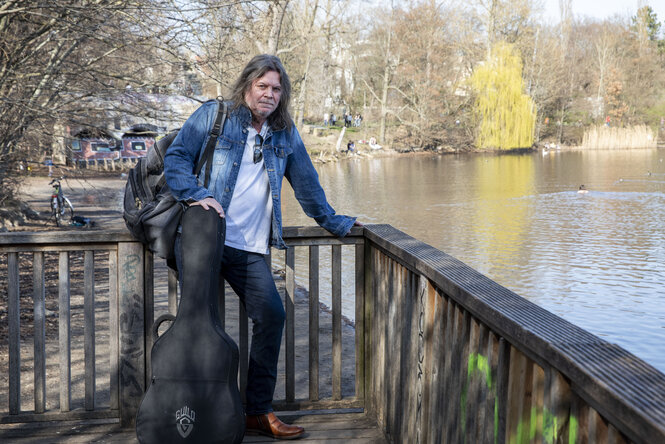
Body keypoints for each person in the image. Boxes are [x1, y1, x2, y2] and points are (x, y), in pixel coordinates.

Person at [164, 54, 361, 440]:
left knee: (272, 315)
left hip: (249, 249)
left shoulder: (285, 133)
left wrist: (336, 222)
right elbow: (176, 158)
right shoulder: (214, 116)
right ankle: (191, 413)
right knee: (197, 328)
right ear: (247, 86)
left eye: (276, 88)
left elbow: (307, 186)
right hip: (204, 242)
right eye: (263, 86)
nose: (269, 94)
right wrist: (196, 195)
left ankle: (257, 411)